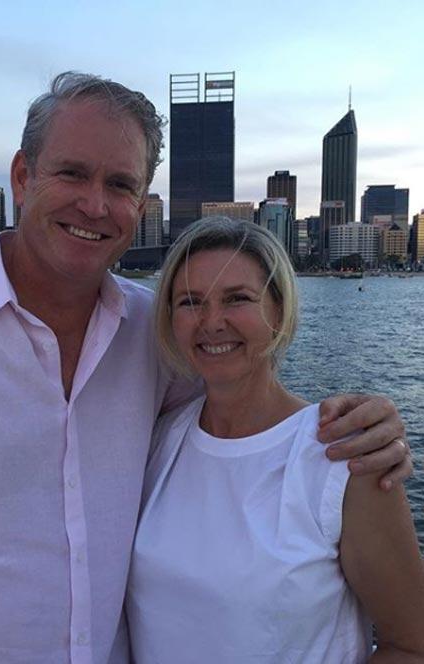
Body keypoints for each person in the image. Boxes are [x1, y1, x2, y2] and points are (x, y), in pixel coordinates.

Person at [0, 73, 411, 663]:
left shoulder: (151, 335)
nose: (95, 205)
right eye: (72, 173)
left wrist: (366, 420)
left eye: (120, 184)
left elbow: (242, 403)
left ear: (141, 200)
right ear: (22, 176)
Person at [127, 217, 424, 663]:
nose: (212, 322)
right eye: (191, 302)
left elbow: (410, 644)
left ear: (279, 310)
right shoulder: (157, 442)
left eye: (238, 299)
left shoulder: (344, 458)